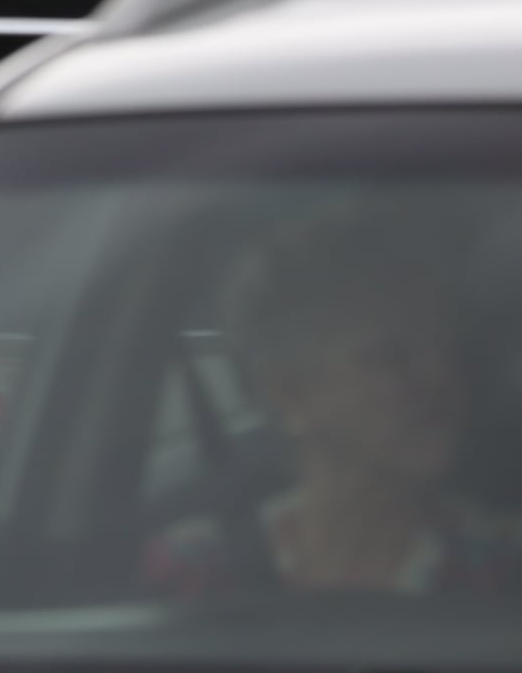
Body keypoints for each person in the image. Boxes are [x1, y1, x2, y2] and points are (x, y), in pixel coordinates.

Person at [146, 207, 519, 598]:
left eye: (449, 352)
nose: (440, 379)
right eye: (391, 357)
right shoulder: (195, 567)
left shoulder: (504, 562)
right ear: (290, 395)